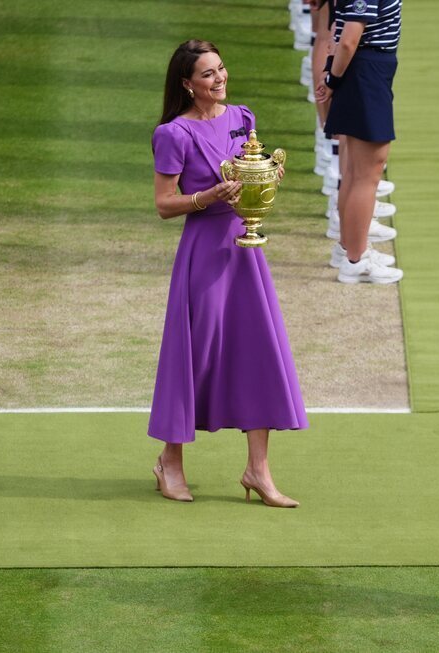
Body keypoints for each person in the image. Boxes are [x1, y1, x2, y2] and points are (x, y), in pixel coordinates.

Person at [148, 40, 307, 507]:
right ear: (186, 84)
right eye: (207, 74)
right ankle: (170, 463)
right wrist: (210, 196)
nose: (218, 79)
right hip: (204, 253)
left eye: (220, 69)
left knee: (256, 352)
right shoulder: (173, 134)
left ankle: (258, 471)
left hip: (246, 251)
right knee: (195, 356)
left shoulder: (243, 118)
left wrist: (266, 182)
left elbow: (251, 175)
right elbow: (163, 204)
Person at [315, 0, 403, 284]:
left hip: (363, 69)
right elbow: (349, 39)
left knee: (354, 173)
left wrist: (333, 75)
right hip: (364, 71)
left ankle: (349, 249)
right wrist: (332, 80)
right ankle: (356, 259)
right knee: (367, 174)